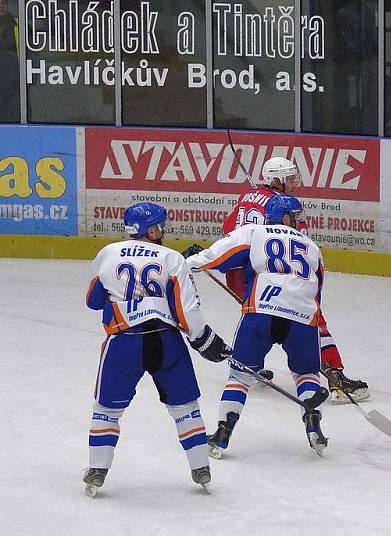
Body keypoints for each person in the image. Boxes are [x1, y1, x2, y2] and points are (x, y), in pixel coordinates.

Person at [83, 203, 232, 497]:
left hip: (124, 341)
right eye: (160, 226)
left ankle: (97, 470)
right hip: (167, 341)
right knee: (186, 409)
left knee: (106, 410)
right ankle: (200, 467)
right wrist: (204, 339)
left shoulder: (109, 253)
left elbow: (92, 299)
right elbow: (187, 311)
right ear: (150, 230)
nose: (163, 230)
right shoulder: (173, 259)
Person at [185, 194, 329, 457]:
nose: (299, 221)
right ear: (286, 218)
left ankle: (222, 434)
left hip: (261, 312)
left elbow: (218, 257)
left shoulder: (254, 232)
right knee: (306, 373)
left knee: (240, 374)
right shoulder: (312, 247)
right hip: (303, 317)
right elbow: (317, 291)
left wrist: (189, 263)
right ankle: (312, 426)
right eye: (296, 217)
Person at [220, 156, 369, 403]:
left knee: (260, 319)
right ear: (275, 180)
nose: (294, 183)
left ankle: (249, 365)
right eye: (289, 179)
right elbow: (298, 245)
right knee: (310, 317)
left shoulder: (247, 196)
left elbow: (228, 232)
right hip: (268, 274)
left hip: (239, 274)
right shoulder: (282, 207)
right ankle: (335, 376)